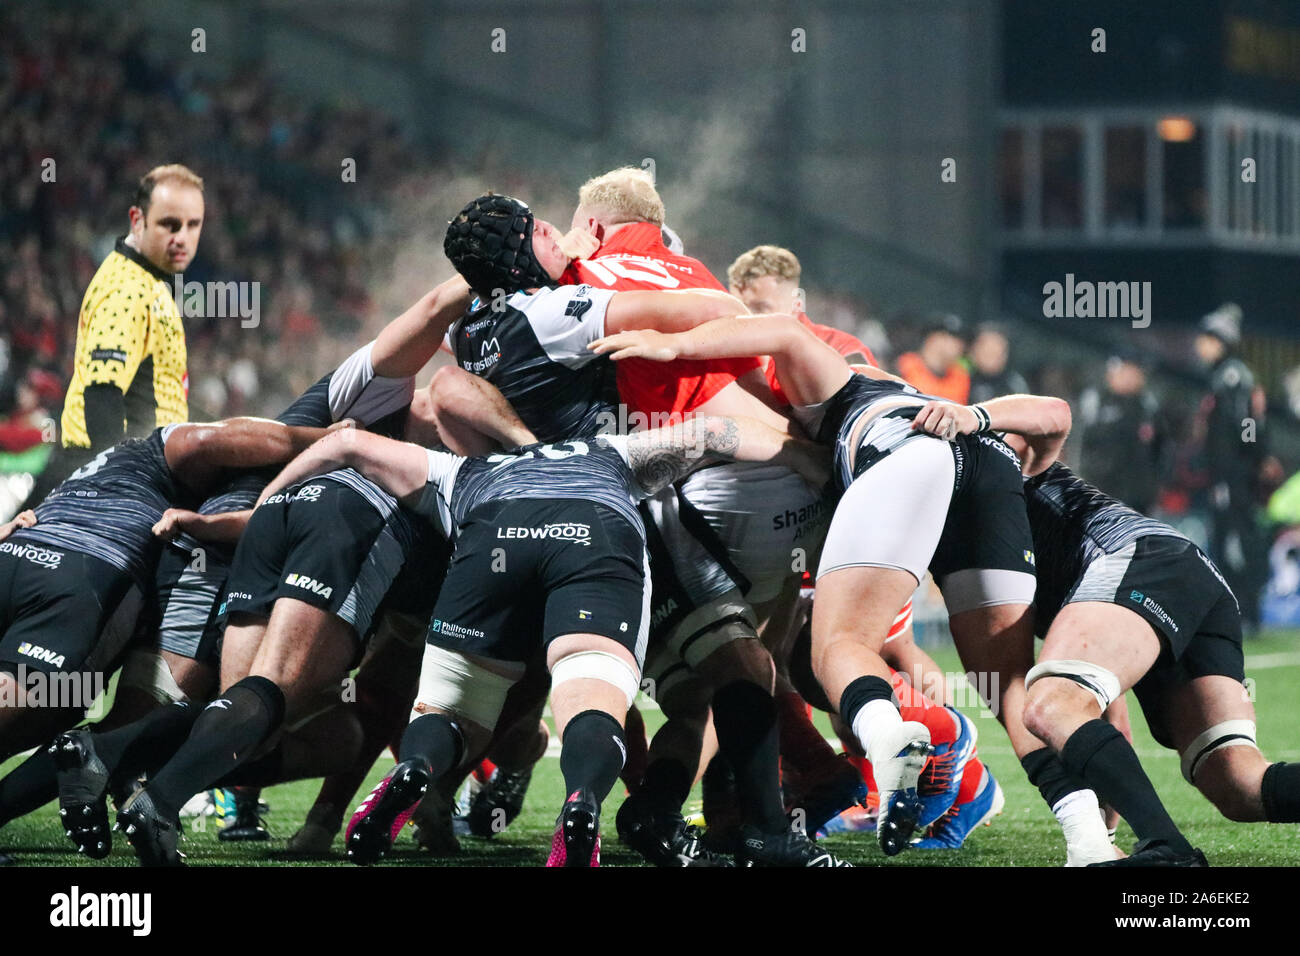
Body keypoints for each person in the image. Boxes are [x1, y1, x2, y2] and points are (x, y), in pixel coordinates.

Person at [591, 316, 1062, 856]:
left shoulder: (802, 377)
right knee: (788, 669)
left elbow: (747, 377)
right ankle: (804, 788)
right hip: (858, 500)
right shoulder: (778, 399)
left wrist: (671, 343)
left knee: (829, 662)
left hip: (877, 495)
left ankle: (942, 751)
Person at [33, 166, 205, 506]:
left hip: (132, 469)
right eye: (169, 224)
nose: (182, 237)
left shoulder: (151, 283)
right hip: (103, 475)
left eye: (193, 224)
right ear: (137, 220)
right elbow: (102, 392)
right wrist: (116, 493)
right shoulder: (127, 288)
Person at [1194, 304, 1273, 632]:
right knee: (1228, 540)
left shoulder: (1231, 376)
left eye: (1206, 338)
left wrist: (1247, 458)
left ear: (1220, 341)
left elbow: (1247, 424)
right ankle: (1240, 612)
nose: (1200, 345)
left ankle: (1245, 613)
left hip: (1233, 477)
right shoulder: (1224, 376)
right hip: (1228, 475)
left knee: (1234, 542)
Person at [1077, 351, 1164, 514]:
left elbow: (1160, 450)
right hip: (1101, 491)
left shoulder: (1148, 406)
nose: (1133, 377)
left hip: (1138, 496)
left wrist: (1154, 486)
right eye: (1128, 371)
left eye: (1137, 372)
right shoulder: (1096, 401)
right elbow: (1083, 444)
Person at [895, 314, 970, 402]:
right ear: (932, 338)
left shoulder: (961, 376)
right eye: (950, 337)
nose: (958, 344)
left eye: (961, 339)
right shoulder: (902, 367)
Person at [967, 324, 1028, 406]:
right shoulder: (959, 375)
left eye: (998, 352)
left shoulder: (1013, 384)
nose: (993, 357)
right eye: (988, 350)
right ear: (973, 350)